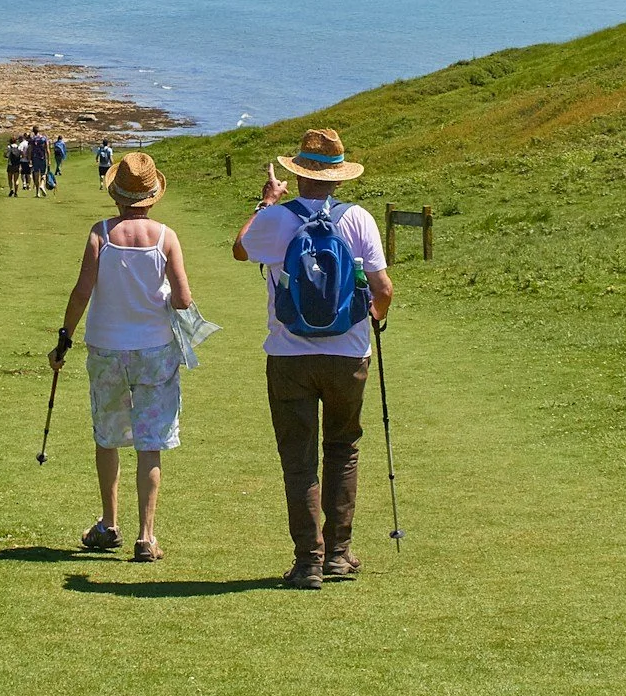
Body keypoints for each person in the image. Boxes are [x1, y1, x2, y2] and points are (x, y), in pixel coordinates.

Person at [232, 126, 394, 590]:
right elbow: (383, 290)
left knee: (298, 460)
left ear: (297, 175)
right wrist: (372, 321)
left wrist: (265, 202)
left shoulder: (277, 219)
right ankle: (339, 554)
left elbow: (240, 250)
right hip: (348, 354)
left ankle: (308, 562)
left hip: (289, 354)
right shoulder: (359, 219)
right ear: (339, 179)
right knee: (343, 450)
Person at [50, 151, 195, 563]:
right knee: (151, 443)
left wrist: (64, 337)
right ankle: (146, 537)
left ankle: (109, 524)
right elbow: (183, 299)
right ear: (151, 198)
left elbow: (81, 291)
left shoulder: (100, 234)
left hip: (107, 348)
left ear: (117, 196)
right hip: (154, 349)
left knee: (108, 436)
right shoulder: (166, 237)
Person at [27, 128, 50, 199]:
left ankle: (37, 192)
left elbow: (30, 150)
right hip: (42, 158)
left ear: (33, 131)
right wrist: (49, 159)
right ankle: (42, 185)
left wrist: (29, 159)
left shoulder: (32, 139)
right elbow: (47, 149)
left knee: (36, 175)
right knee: (44, 173)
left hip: (35, 158)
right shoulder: (44, 138)